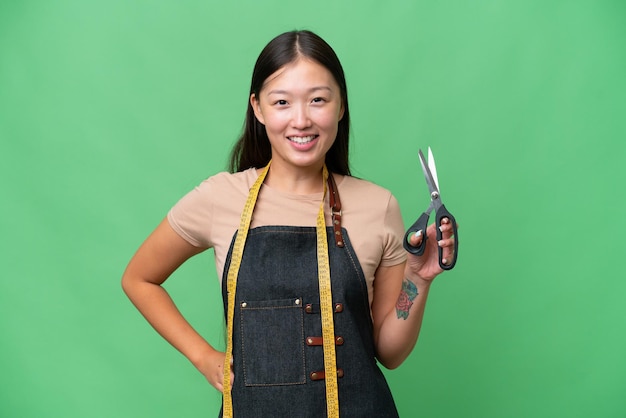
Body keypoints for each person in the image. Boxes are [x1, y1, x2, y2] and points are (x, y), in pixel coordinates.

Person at [122, 30, 456, 417]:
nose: (301, 120)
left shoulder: (378, 206)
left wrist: (418, 279)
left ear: (341, 106)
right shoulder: (219, 198)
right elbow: (139, 278)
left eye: (318, 100)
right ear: (258, 108)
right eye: (282, 102)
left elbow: (389, 352)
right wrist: (202, 356)